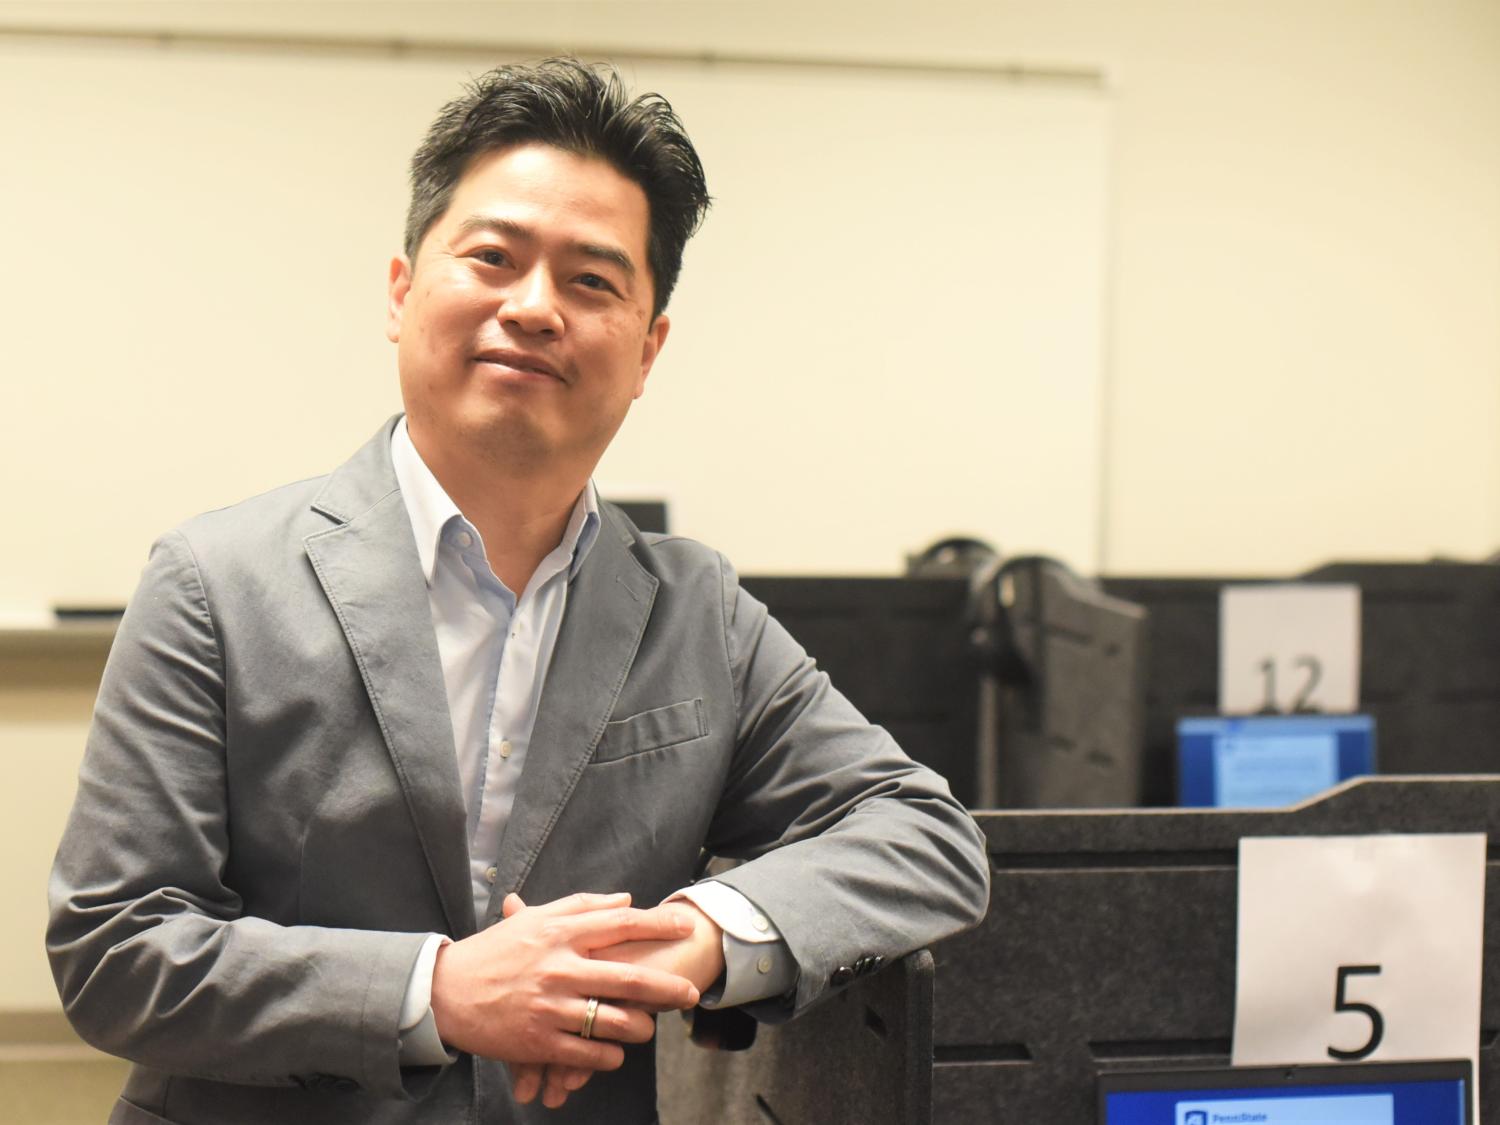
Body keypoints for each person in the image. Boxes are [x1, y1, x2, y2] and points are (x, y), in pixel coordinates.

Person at [47, 58, 990, 1124]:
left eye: (592, 281)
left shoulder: (698, 612)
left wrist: (692, 939)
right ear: (401, 292)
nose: (535, 307)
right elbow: (115, 946)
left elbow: (924, 834)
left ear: (648, 350)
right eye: (493, 258)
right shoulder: (215, 582)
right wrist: (436, 992)